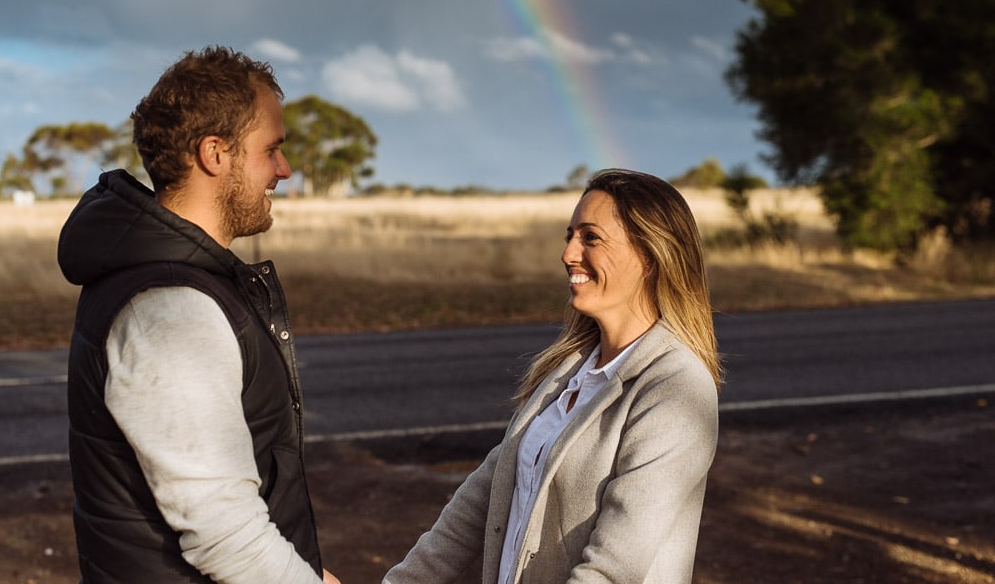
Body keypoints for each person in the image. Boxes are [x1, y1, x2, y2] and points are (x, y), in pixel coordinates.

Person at [58, 46, 339, 584]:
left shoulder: (179, 279)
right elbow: (223, 532)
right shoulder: (171, 309)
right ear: (215, 153)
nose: (283, 169)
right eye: (271, 150)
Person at [384, 169, 723, 584]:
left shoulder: (675, 388)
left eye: (590, 237)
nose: (568, 254)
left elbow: (611, 571)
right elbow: (483, 498)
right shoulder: (568, 371)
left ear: (650, 256)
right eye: (570, 236)